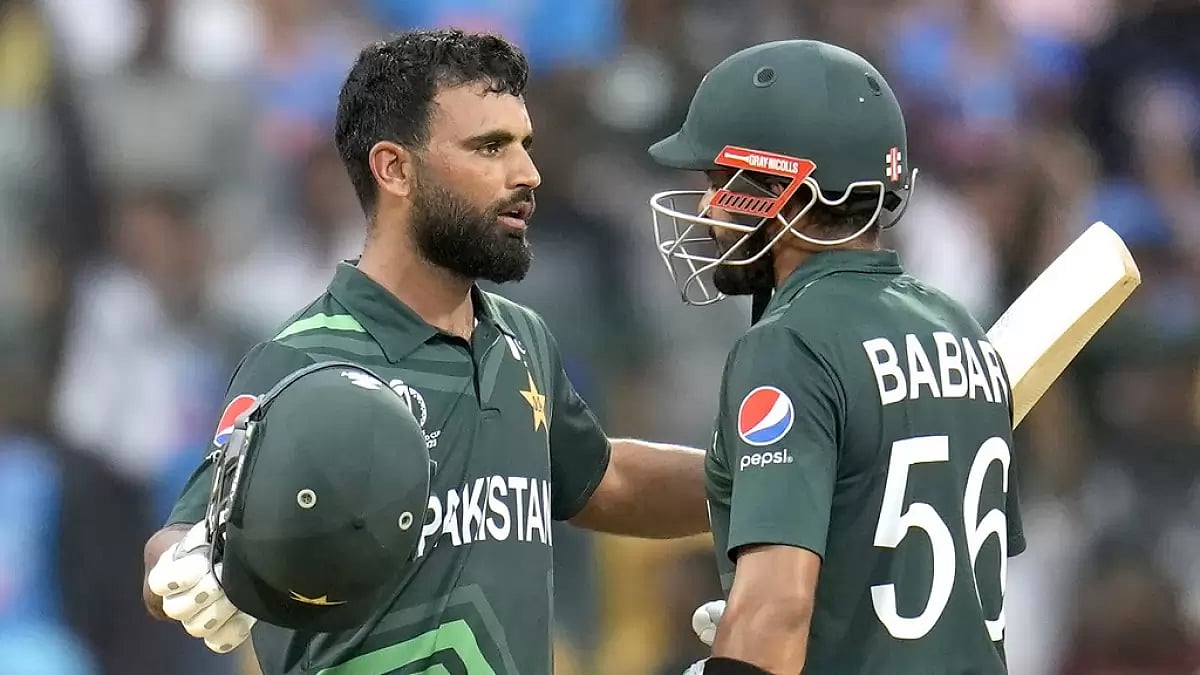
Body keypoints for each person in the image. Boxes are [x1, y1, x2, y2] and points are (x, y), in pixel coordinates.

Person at [141, 28, 709, 675]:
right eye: (489, 147)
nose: (527, 174)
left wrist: (771, 476)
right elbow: (182, 537)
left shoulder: (521, 338)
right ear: (395, 168)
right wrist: (193, 566)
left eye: (523, 145)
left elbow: (606, 479)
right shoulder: (302, 360)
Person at [645, 39, 1026, 674]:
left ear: (779, 188)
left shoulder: (788, 344)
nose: (708, 209)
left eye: (718, 182)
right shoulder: (962, 329)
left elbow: (778, 609)